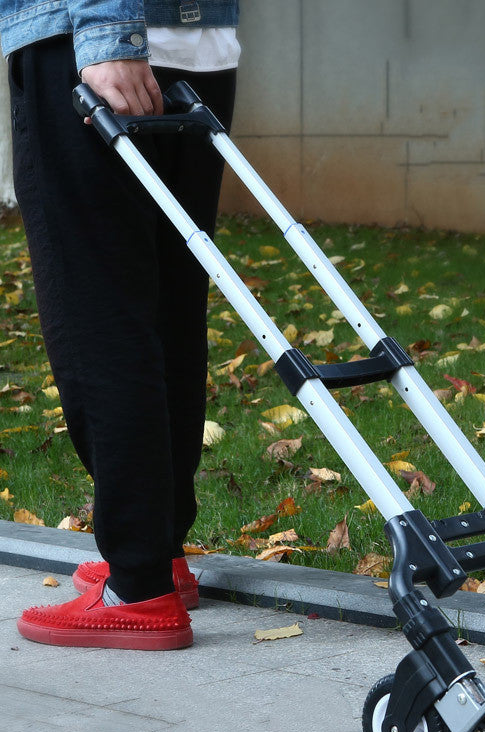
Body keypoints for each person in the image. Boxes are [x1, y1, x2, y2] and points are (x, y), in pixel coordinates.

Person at [0, 0, 239, 649]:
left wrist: (108, 33)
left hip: (91, 40)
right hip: (199, 41)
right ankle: (157, 554)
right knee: (169, 307)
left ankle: (139, 583)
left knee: (97, 307)